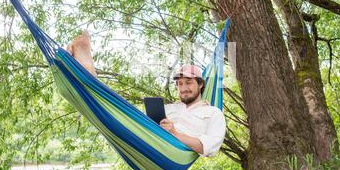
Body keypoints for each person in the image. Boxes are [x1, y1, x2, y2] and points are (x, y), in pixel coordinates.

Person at [67, 31, 226, 157]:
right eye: (179, 84)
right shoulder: (169, 109)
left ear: (200, 84)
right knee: (121, 113)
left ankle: (87, 75)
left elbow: (211, 148)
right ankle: (85, 77)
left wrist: (175, 133)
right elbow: (136, 121)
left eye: (188, 82)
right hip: (148, 140)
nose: (183, 88)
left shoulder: (213, 113)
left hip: (171, 153)